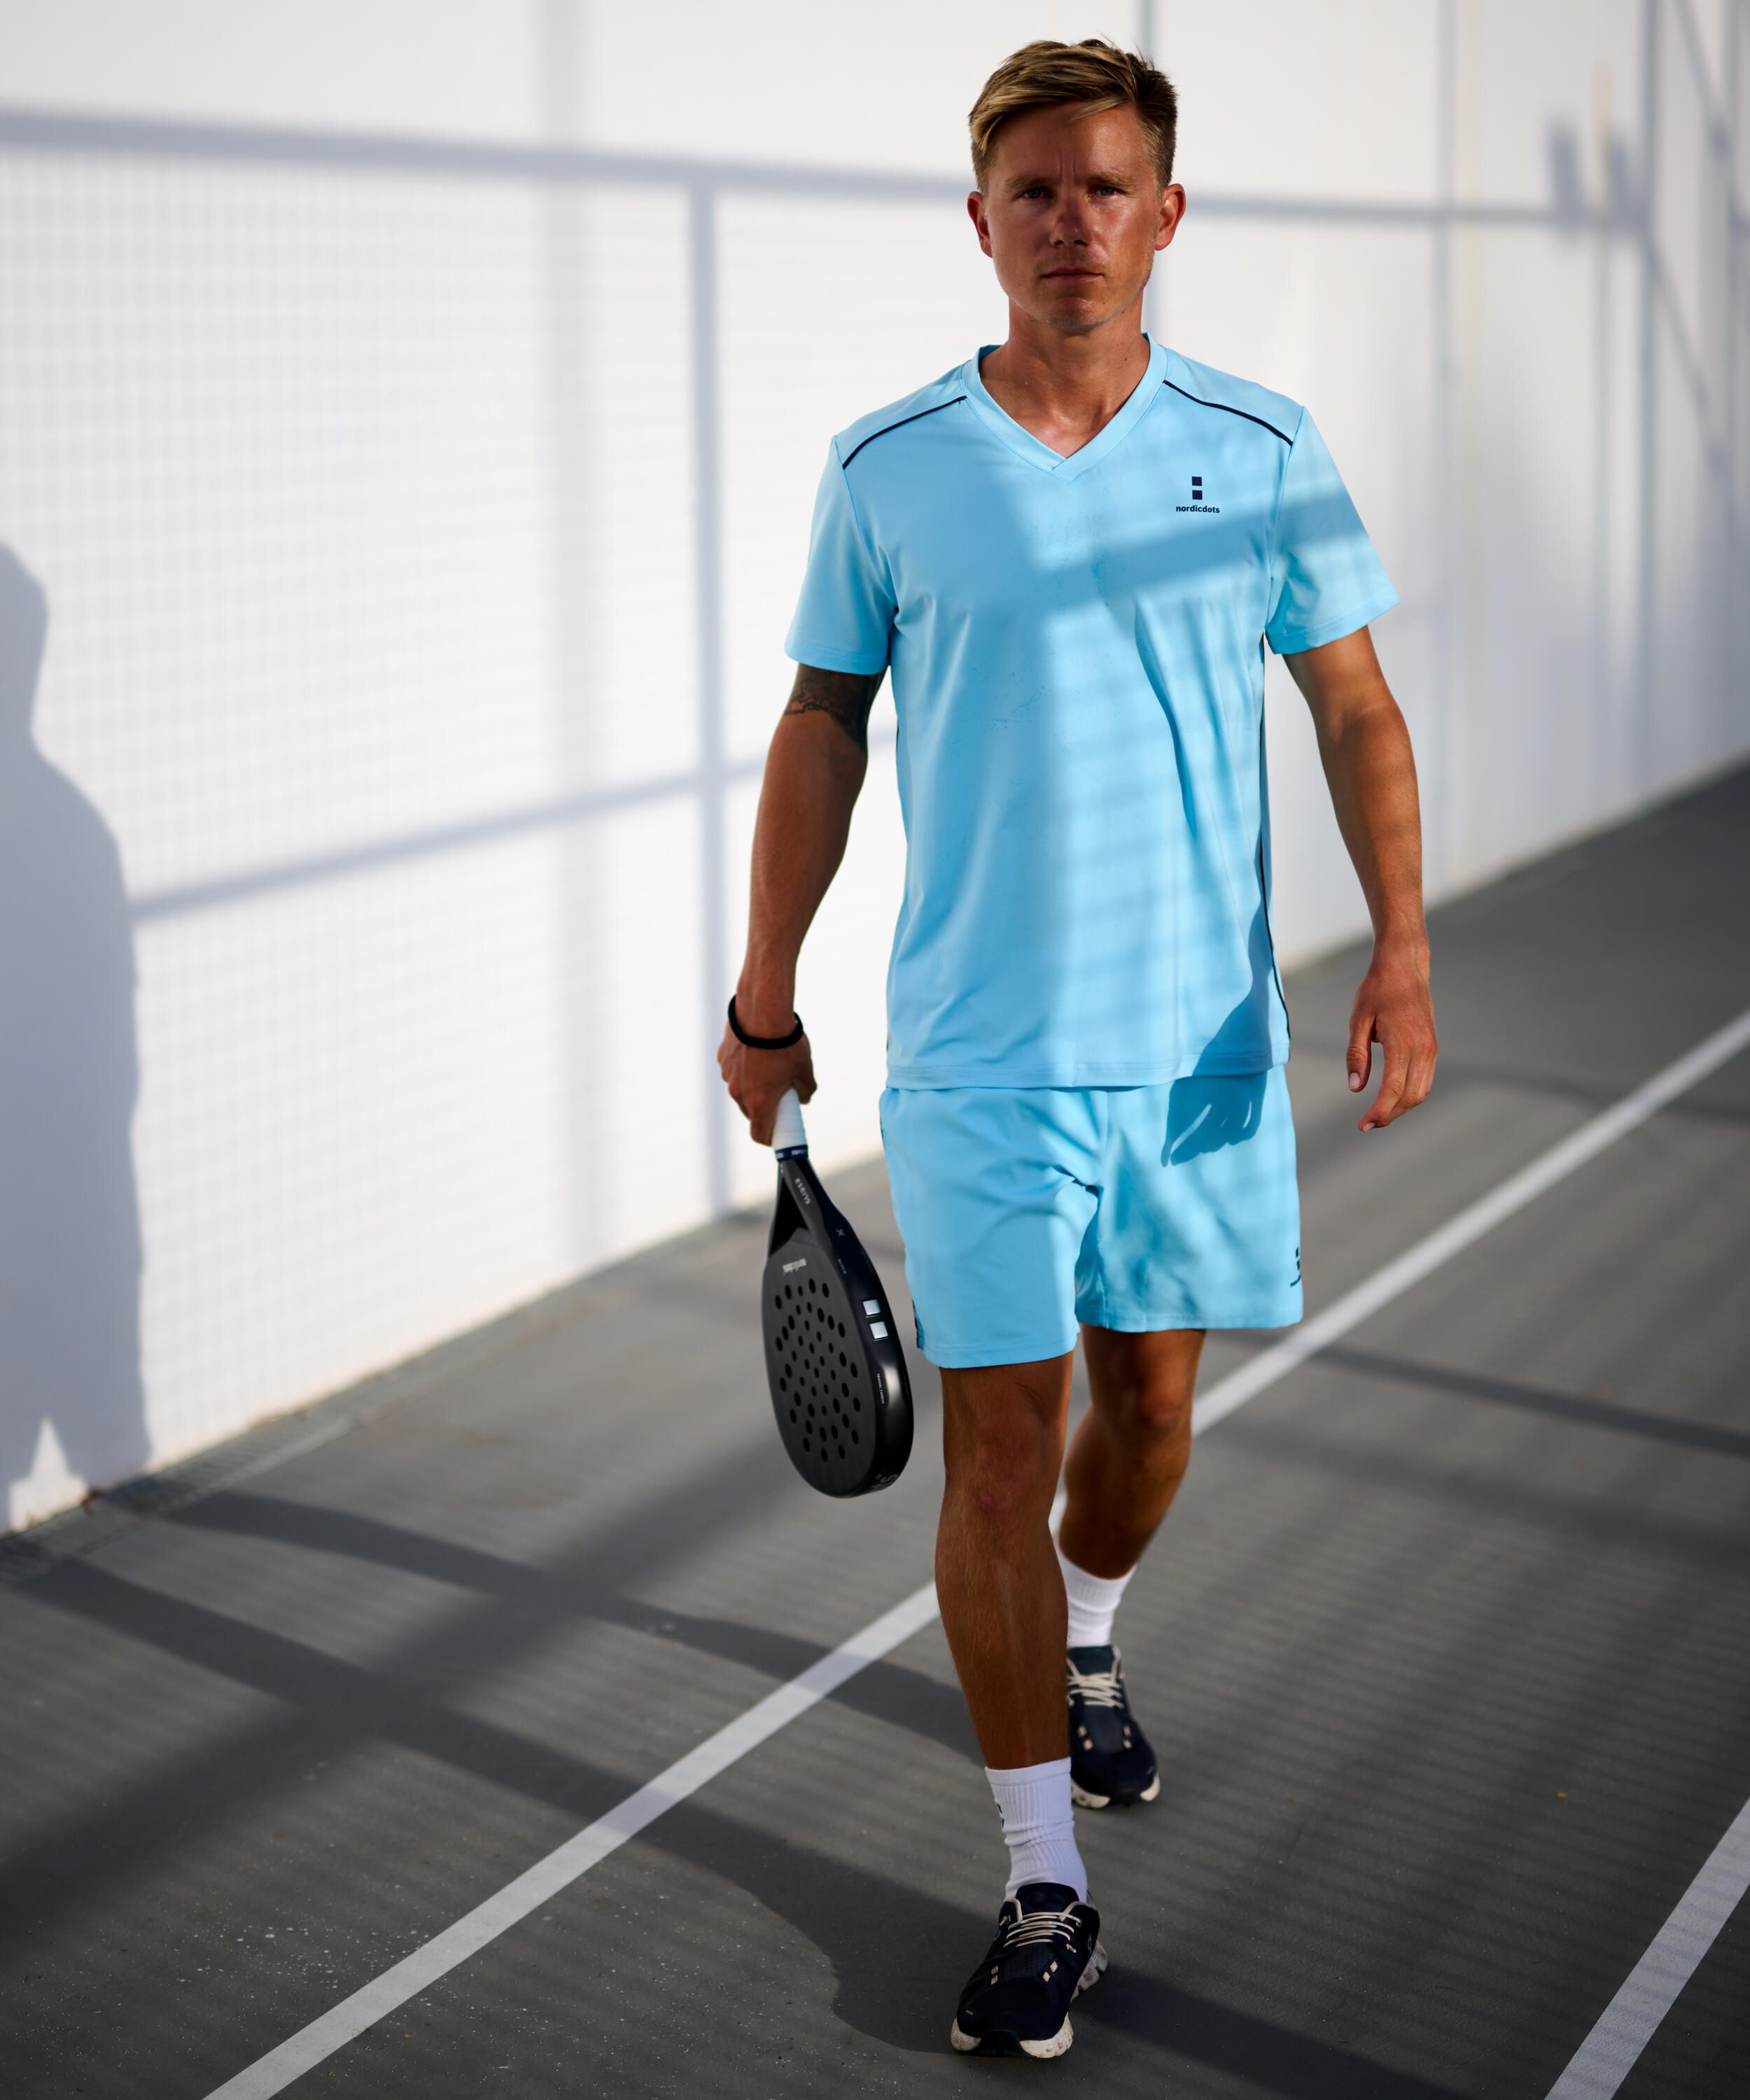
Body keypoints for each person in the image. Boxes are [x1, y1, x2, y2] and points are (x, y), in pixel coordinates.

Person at [718, 37, 1437, 2061]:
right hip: (976, 1061)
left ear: (1165, 213)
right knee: (998, 1460)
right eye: (1033, 191)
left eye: (1106, 188)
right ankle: (1046, 1884)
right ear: (980, 221)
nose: (1071, 223)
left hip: (1198, 1052)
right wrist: (765, 989)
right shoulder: (889, 467)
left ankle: (1093, 1630)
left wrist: (1400, 947)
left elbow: (1355, 706)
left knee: (1148, 1423)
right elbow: (820, 723)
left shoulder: (1260, 444)